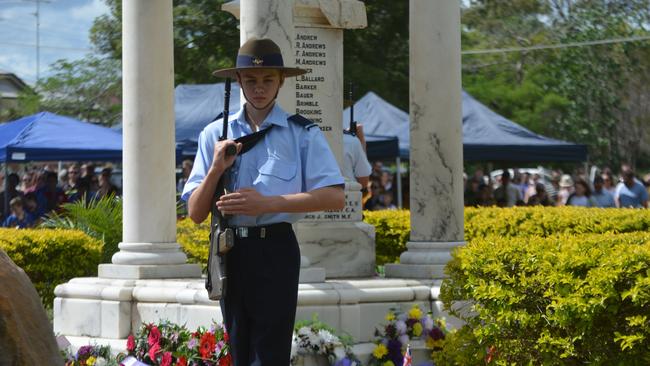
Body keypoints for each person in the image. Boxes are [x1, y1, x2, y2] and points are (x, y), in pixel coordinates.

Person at [181, 38, 344, 366]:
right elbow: (195, 213)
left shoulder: (302, 133)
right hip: (230, 251)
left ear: (281, 81)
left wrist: (266, 204)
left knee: (270, 352)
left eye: (268, 79)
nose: (259, 88)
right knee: (239, 347)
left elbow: (335, 196)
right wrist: (215, 168)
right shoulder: (214, 134)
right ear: (239, 81)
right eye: (251, 80)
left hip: (276, 249)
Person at [342, 124, 371, 190]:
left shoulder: (314, 137)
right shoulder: (351, 141)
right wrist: (361, 140)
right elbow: (363, 181)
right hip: (346, 196)